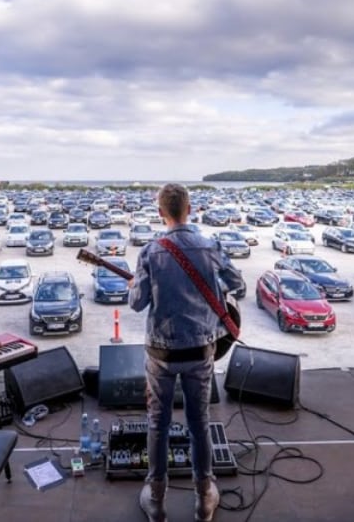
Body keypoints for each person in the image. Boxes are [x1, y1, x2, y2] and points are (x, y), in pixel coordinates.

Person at [130, 183, 244, 522]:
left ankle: (156, 499)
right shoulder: (211, 246)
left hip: (161, 353)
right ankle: (204, 498)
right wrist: (210, 289)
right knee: (199, 423)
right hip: (200, 351)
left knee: (157, 424)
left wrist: (136, 286)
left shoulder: (150, 252)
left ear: (161, 213)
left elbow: (137, 304)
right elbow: (239, 285)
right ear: (189, 209)